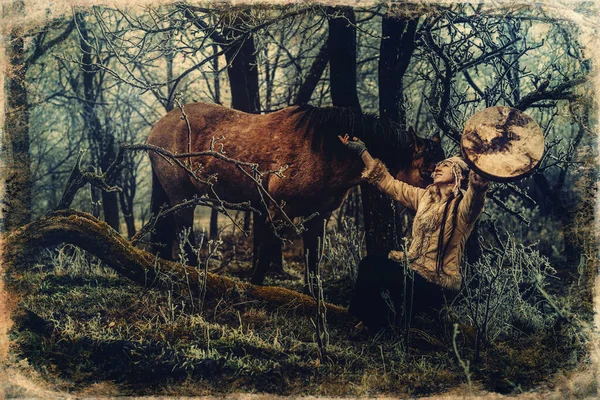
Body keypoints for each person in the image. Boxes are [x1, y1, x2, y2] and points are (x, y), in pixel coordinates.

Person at [338, 134, 490, 330]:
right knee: (370, 264)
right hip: (413, 271)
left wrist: (478, 187)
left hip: (437, 284)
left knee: (388, 278)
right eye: (438, 165)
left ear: (458, 174)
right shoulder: (425, 197)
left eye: (445, 165)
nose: (437, 167)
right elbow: (388, 184)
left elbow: (474, 203)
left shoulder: (461, 207)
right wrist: (361, 150)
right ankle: (363, 322)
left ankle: (378, 327)